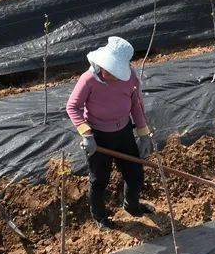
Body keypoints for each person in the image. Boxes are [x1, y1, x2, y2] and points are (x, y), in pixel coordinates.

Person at [66, 36, 154, 229]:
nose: (112, 75)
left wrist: (143, 133)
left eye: (116, 72)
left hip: (123, 132)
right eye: (109, 70)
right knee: (99, 179)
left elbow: (136, 106)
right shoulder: (88, 79)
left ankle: (132, 205)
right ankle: (100, 217)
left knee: (134, 173)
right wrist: (87, 135)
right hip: (98, 135)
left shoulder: (130, 78)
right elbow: (73, 107)